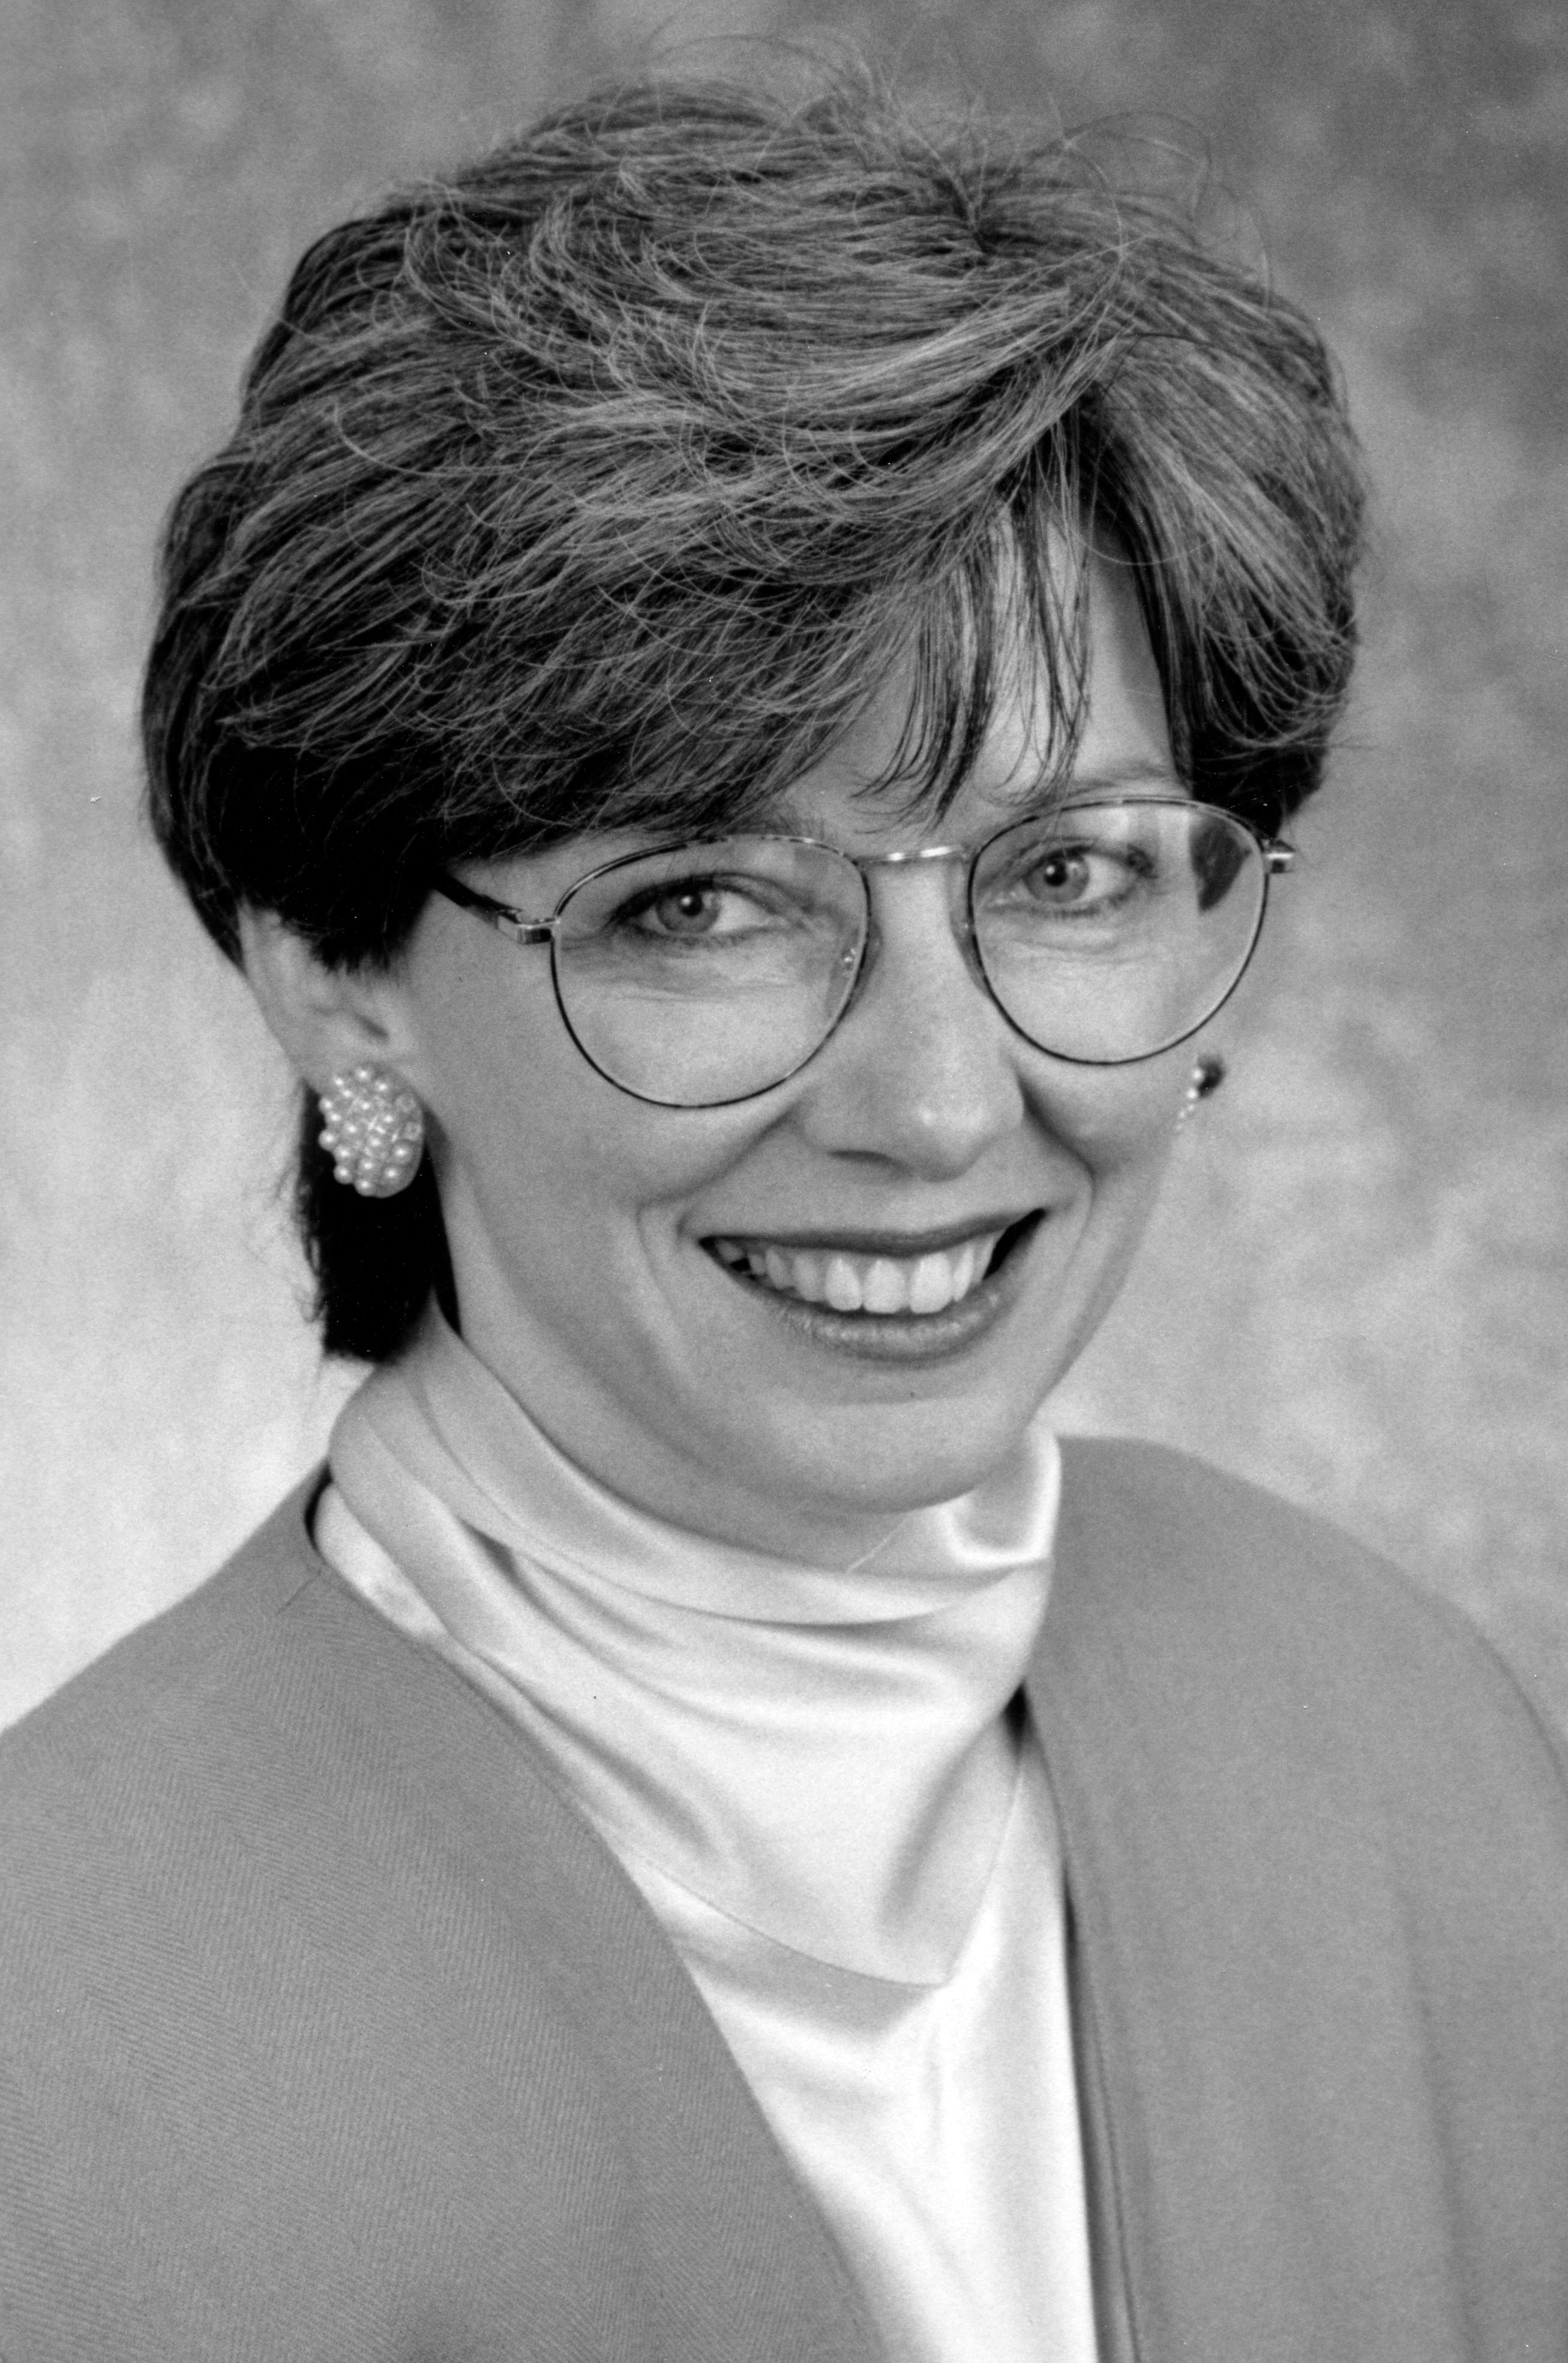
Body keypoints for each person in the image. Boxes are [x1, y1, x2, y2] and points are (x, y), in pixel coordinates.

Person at [2, 65, 1565, 2363]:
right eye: (705, 902)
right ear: (339, 976)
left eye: (1069, 872)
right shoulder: (54, 2036)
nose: (938, 1104)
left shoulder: (1397, 1730)